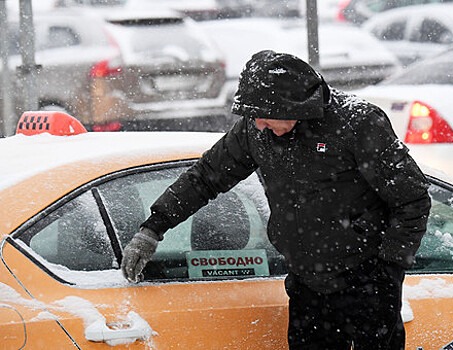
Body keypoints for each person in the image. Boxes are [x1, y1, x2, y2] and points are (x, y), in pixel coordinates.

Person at [121, 50, 431, 349]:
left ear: (294, 107)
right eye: (253, 117)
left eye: (264, 117)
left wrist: (388, 271)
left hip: (367, 282)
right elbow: (205, 177)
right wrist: (154, 227)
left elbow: (413, 199)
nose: (257, 124)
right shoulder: (257, 131)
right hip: (307, 284)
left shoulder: (357, 124)